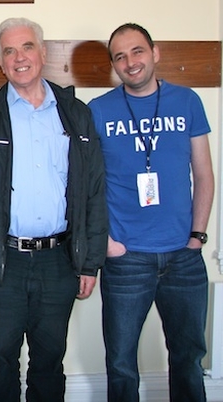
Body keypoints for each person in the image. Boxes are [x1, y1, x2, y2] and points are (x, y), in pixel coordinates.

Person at [0, 17, 108, 402]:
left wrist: (91, 262)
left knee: (50, 360)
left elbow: (93, 191)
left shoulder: (75, 113)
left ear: (42, 52)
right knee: (2, 359)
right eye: (9, 51)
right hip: (3, 260)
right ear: (0, 62)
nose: (19, 57)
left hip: (60, 261)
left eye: (27, 47)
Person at [88, 23, 214, 402]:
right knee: (122, 364)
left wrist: (198, 236)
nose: (131, 62)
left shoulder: (187, 101)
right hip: (127, 259)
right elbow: (88, 185)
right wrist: (107, 242)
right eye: (121, 56)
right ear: (114, 65)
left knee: (189, 358)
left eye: (137, 51)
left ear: (155, 53)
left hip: (184, 257)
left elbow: (204, 174)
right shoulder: (98, 110)